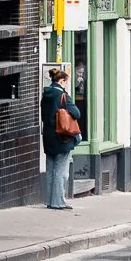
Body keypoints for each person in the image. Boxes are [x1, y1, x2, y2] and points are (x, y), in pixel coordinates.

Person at [41, 60, 82, 209]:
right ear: (62, 81)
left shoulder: (45, 95)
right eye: (66, 81)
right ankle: (59, 202)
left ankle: (49, 201)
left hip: (48, 136)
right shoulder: (63, 96)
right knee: (61, 171)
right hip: (62, 136)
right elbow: (76, 113)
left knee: (51, 169)